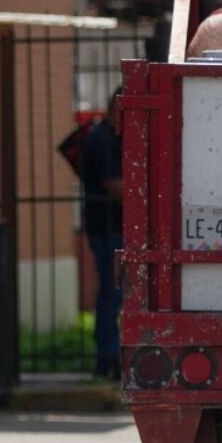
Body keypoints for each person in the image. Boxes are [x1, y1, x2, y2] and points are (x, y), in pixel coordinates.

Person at [82, 89, 124, 379]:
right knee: (112, 292)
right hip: (107, 229)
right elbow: (114, 186)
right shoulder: (103, 139)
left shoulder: (110, 137)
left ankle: (109, 357)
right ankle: (108, 358)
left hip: (113, 228)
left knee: (114, 292)